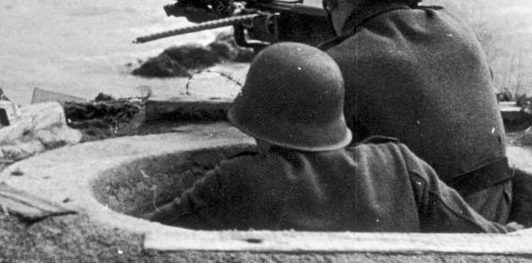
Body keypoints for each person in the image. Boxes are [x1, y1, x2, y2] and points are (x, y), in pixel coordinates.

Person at [145, 43, 515, 233]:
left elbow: (151, 231)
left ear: (257, 125)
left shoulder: (242, 179)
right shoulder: (398, 162)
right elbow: (481, 232)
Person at [308, 0, 511, 223]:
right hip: (495, 208)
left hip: (433, 222)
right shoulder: (457, 29)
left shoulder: (341, 59)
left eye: (329, 2)